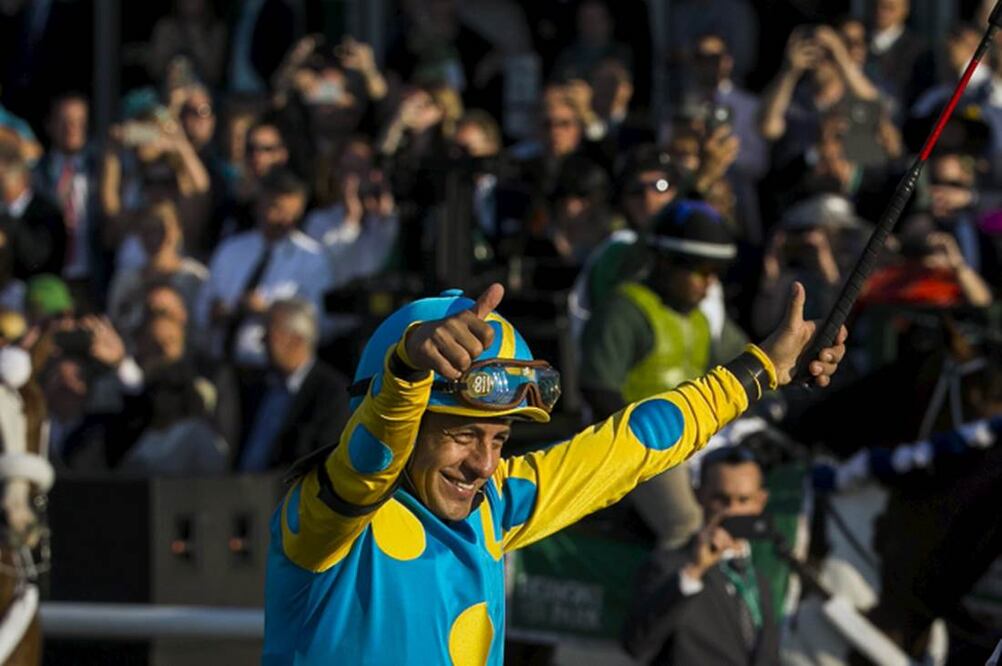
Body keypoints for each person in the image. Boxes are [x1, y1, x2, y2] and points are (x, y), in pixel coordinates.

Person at [262, 280, 847, 663]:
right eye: (463, 434)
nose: (484, 464)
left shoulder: (494, 507)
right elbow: (370, 461)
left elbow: (631, 446)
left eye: (498, 438)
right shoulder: (322, 518)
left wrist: (760, 369)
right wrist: (408, 369)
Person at [578, 200, 750, 547]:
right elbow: (598, 389)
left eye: (714, 274)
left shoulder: (701, 321)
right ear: (666, 263)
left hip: (696, 443)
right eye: (700, 271)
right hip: (636, 446)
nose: (708, 284)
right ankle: (673, 597)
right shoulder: (624, 308)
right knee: (686, 523)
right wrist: (647, 441)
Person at [621, 447, 779, 665]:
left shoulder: (760, 581)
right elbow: (636, 644)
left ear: (760, 502)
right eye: (721, 499)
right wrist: (693, 572)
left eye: (743, 500)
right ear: (699, 495)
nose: (731, 511)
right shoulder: (670, 567)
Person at [232, 298, 350, 472]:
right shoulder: (256, 387)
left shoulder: (331, 394)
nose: (263, 340)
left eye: (271, 333)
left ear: (296, 340)